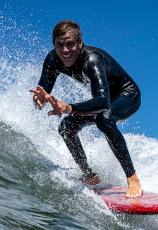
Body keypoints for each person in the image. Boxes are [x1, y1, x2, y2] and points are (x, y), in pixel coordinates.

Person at [29, 20, 143, 197]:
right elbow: (44, 89)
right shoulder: (53, 59)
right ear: (54, 45)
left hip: (128, 96)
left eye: (70, 44)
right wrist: (39, 100)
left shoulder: (92, 60)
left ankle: (132, 178)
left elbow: (102, 103)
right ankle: (89, 175)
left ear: (79, 44)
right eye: (60, 45)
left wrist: (68, 107)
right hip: (105, 100)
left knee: (103, 118)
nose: (65, 50)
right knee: (66, 127)